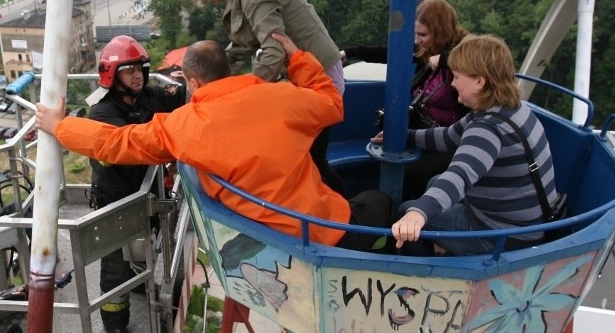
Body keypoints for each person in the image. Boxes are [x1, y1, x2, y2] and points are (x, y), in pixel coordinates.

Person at [37, 33, 392, 254]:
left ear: (192, 81)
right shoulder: (282, 97)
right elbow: (331, 102)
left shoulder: (181, 127)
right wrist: (298, 59)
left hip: (267, 239)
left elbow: (114, 143)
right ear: (229, 70)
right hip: (326, 229)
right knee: (383, 202)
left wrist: (61, 126)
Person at [179, 0, 345, 196]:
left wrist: (245, 97)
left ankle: (345, 216)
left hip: (319, 79)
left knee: (312, 162)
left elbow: (275, 47)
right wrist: (209, 70)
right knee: (307, 159)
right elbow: (246, 44)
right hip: (304, 75)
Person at [376, 34, 558, 256]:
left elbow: (460, 175)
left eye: (456, 77)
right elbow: (449, 136)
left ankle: (426, 272)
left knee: (406, 211)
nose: (452, 83)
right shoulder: (510, 109)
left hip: (504, 234)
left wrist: (418, 213)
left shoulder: (488, 129)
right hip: (528, 220)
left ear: (479, 81)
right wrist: (405, 136)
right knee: (434, 181)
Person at [84, 35, 185, 333]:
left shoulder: (148, 98)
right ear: (112, 76)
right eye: (129, 71)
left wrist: (193, 85)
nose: (138, 76)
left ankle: (141, 283)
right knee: (116, 267)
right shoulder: (101, 114)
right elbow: (129, 147)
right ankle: (115, 322)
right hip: (116, 202)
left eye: (140, 68)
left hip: (149, 196)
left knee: (151, 249)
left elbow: (183, 98)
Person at [341, 0, 469, 200]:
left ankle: (408, 218)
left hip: (454, 140)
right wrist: (350, 52)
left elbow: (482, 63)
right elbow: (392, 54)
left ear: (440, 30)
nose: (417, 40)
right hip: (426, 129)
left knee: (413, 171)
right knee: (387, 146)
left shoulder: (465, 53)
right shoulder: (426, 50)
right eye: (415, 34)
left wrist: (447, 60)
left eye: (423, 34)